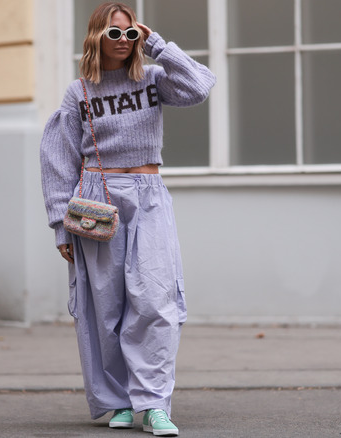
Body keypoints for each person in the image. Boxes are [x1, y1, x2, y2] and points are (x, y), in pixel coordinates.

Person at [39, 2, 215, 436]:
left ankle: (154, 403)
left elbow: (201, 86)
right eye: (113, 33)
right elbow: (59, 160)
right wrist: (60, 223)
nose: (122, 41)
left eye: (129, 33)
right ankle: (119, 401)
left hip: (150, 195)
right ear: (96, 36)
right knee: (106, 305)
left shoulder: (153, 79)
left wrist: (157, 45)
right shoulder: (78, 93)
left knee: (155, 300)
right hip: (97, 198)